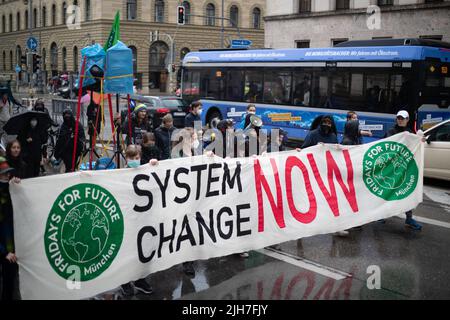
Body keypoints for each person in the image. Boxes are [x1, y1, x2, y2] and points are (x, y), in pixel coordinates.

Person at [120, 145, 155, 296]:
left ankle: (140, 279)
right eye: (131, 158)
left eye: (137, 158)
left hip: (141, 219)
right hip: (126, 219)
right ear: (126, 158)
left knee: (141, 250)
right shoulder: (117, 174)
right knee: (126, 250)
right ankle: (124, 281)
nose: (135, 161)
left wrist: (154, 165)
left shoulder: (144, 170)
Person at [383, 110, 423, 231]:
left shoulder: (411, 133)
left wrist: (421, 140)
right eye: (398, 118)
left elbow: (416, 147)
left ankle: (409, 218)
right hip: (390, 169)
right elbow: (382, 146)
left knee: (406, 192)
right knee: (385, 191)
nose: (400, 120)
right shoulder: (390, 132)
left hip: (404, 169)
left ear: (407, 119)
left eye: (403, 118)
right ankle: (380, 215)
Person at [0, 157, 19, 300]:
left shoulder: (10, 189)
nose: (8, 175)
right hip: (4, 247)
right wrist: (4, 252)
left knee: (10, 280)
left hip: (11, 245)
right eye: (4, 173)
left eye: (8, 173)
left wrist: (19, 186)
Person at [54, 109, 86, 173]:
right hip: (66, 150)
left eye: (68, 115)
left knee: (73, 166)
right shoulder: (63, 126)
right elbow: (60, 139)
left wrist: (76, 137)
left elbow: (82, 137)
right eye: (65, 116)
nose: (67, 117)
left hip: (75, 149)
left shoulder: (77, 125)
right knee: (69, 166)